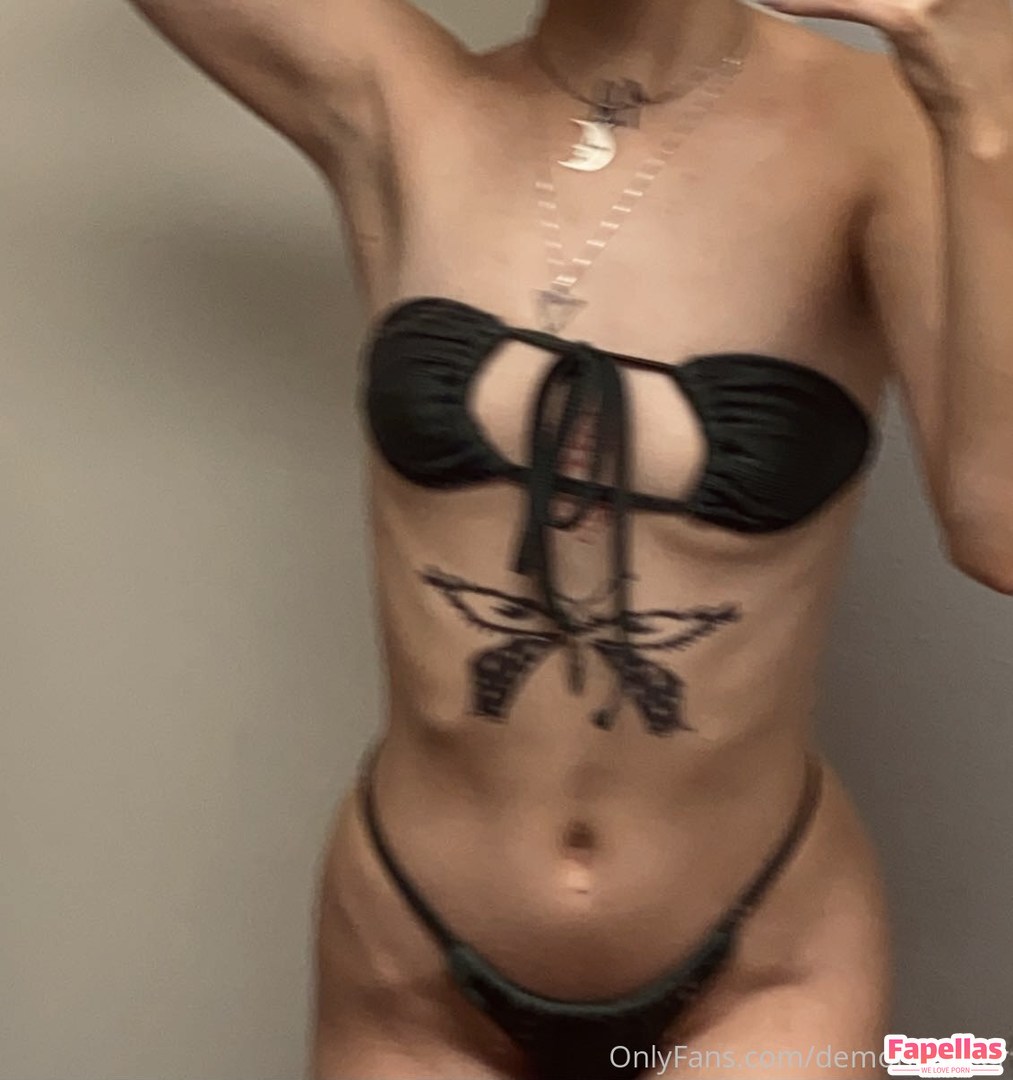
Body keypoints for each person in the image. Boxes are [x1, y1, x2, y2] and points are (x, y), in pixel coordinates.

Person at [123, 0, 1013, 1077]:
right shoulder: (403, 103)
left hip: (761, 961)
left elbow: (998, 527)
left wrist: (984, 95)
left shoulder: (884, 125)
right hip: (409, 959)